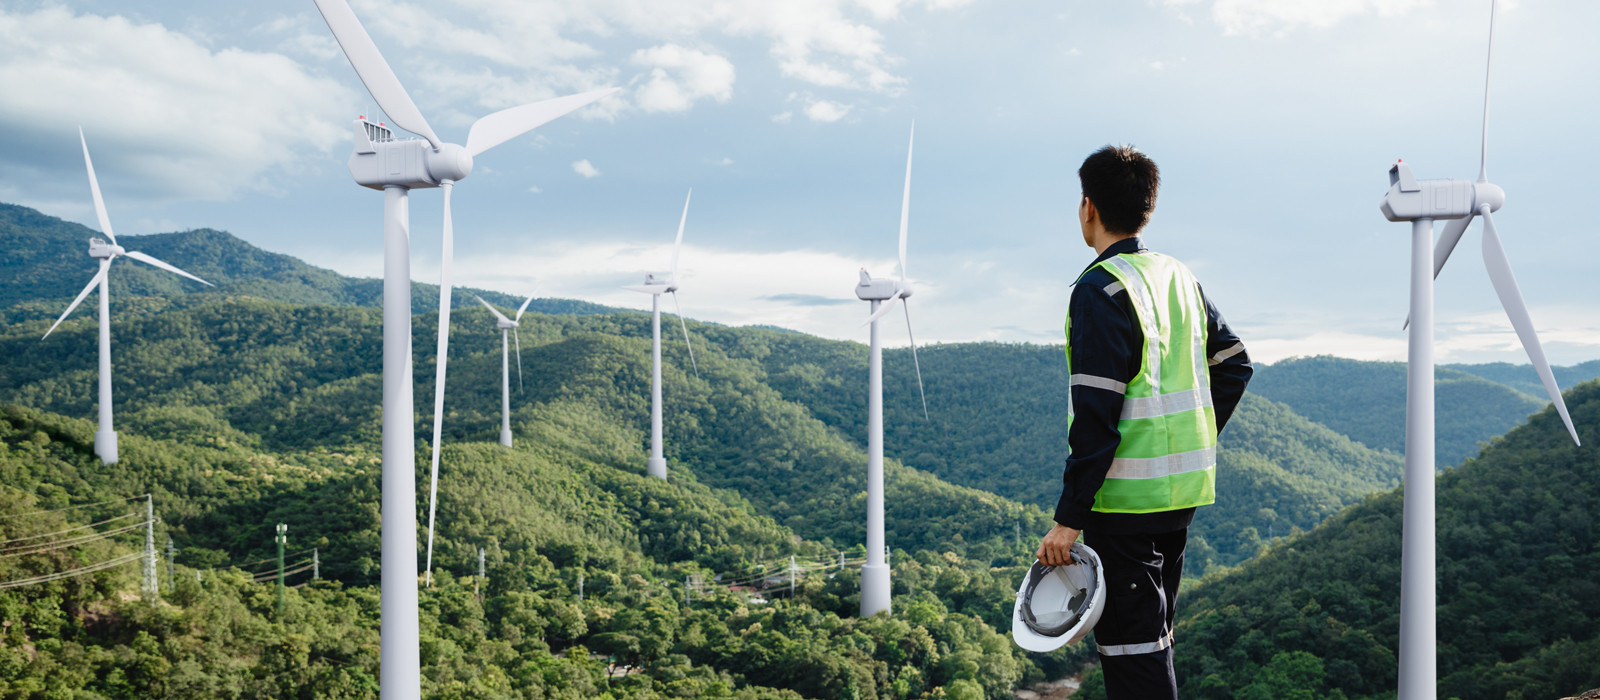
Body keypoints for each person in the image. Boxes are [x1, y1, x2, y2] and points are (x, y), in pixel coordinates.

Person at [1035, 145, 1252, 699]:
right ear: (1146, 208)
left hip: (1126, 505)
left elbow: (1096, 416)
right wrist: (1192, 436)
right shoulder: (1178, 275)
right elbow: (1234, 365)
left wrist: (1068, 520)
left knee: (1134, 656)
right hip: (1179, 496)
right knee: (1152, 641)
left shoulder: (1100, 289)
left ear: (1088, 207)